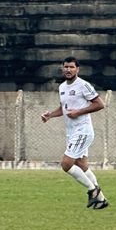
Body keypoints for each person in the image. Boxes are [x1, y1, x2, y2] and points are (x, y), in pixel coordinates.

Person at [40, 56, 109, 209]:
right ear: (62, 68)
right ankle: (101, 200)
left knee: (66, 164)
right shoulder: (62, 87)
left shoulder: (83, 85)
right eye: (66, 67)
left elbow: (100, 104)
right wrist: (50, 115)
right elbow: (63, 109)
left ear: (77, 69)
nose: (68, 70)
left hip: (83, 130)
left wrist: (79, 112)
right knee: (82, 165)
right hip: (71, 132)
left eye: (71, 67)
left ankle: (93, 191)